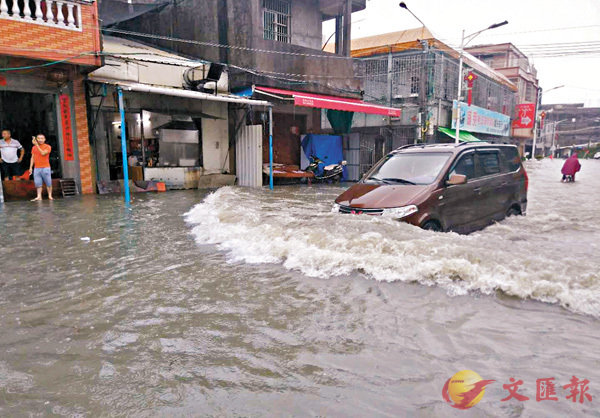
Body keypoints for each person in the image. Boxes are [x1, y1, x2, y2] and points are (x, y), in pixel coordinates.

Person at [29, 134, 53, 201]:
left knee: (48, 182)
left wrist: (36, 145)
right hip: (37, 168)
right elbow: (32, 157)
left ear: (44, 139)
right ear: (36, 139)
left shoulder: (48, 147)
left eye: (42, 138)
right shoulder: (34, 148)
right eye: (38, 138)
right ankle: (39, 196)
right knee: (38, 183)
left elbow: (43, 153)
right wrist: (31, 167)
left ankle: (50, 195)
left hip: (46, 167)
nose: (40, 140)